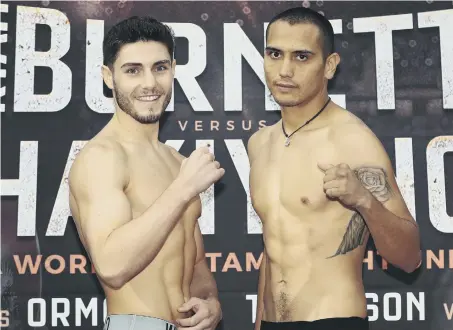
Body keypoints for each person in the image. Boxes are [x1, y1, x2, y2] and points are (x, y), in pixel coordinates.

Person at [248, 7, 422, 330]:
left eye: (301, 57)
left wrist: (364, 200)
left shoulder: (354, 142)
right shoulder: (260, 144)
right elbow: (274, 247)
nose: (284, 70)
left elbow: (410, 258)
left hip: (332, 321)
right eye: (275, 54)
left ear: (329, 66)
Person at [68, 16, 224, 330]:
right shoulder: (102, 157)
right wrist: (182, 190)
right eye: (133, 70)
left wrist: (210, 302)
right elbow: (112, 266)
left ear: (174, 70)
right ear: (108, 77)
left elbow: (193, 262)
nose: (150, 83)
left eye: (160, 68)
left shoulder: (177, 162)